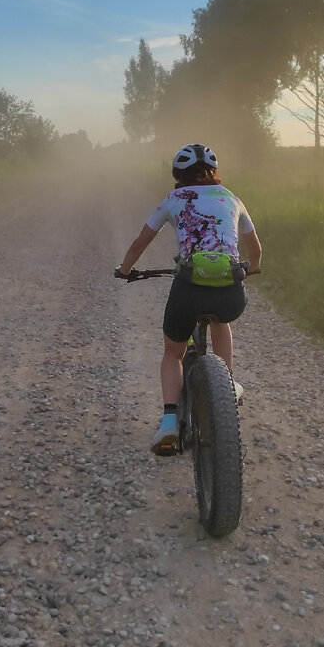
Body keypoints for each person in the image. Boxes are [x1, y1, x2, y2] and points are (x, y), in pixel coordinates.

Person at [115, 143, 262, 455]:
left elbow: (140, 242)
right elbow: (256, 249)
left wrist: (125, 270)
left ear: (177, 175)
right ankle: (227, 384)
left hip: (188, 291)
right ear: (214, 172)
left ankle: (169, 421)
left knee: (173, 352)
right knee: (221, 322)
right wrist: (252, 268)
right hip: (230, 293)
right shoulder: (232, 198)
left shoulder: (174, 200)